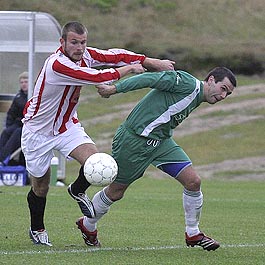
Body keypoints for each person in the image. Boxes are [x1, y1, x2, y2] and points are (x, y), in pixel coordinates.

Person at [21, 21, 175, 246]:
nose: (79, 47)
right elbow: (98, 78)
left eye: (83, 42)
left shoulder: (86, 55)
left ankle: (77, 189)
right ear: (62, 42)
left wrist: (151, 61)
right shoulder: (57, 65)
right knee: (40, 186)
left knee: (98, 161)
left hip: (66, 127)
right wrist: (131, 69)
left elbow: (115, 55)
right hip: (37, 131)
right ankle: (37, 229)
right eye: (74, 42)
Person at [76, 67, 237, 251]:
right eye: (223, 88)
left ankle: (193, 233)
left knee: (193, 182)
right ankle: (88, 225)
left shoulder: (198, 97)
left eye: (228, 93)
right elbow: (150, 78)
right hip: (135, 140)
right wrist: (115, 89)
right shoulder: (187, 83)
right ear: (210, 80)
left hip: (161, 142)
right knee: (116, 191)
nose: (224, 96)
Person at [0, 71, 28, 166]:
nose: (24, 84)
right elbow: (11, 114)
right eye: (22, 82)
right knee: (6, 132)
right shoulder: (18, 97)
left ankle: (4, 158)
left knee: (17, 133)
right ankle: (1, 157)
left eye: (26, 81)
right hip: (17, 124)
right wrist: (9, 126)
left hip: (27, 127)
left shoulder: (34, 97)